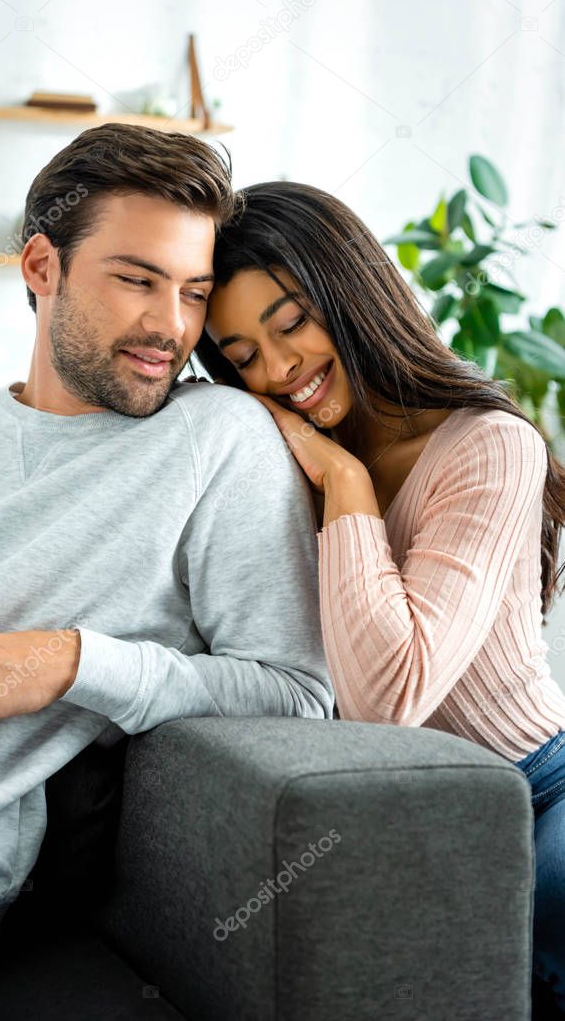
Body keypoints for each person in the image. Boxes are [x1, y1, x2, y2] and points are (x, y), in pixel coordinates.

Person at [0, 135, 334, 1019]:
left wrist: (73, 659)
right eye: (137, 279)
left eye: (193, 292)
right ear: (42, 264)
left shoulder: (216, 441)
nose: (171, 324)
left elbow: (295, 692)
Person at [194, 180, 565, 1016]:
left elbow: (387, 696)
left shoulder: (489, 446)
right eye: (243, 354)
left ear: (350, 291)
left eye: (291, 323)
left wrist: (347, 482)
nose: (280, 369)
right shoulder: (277, 453)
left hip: (533, 786)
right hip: (396, 806)